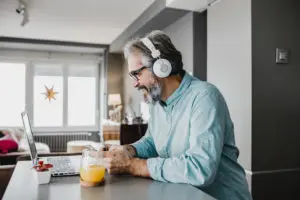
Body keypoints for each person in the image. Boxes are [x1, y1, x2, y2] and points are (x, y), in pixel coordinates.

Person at [102, 30, 252, 200]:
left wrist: (134, 166)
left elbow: (200, 169)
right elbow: (152, 141)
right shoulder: (156, 104)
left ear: (161, 67)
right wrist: (130, 150)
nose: (135, 83)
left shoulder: (204, 97)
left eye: (137, 74)